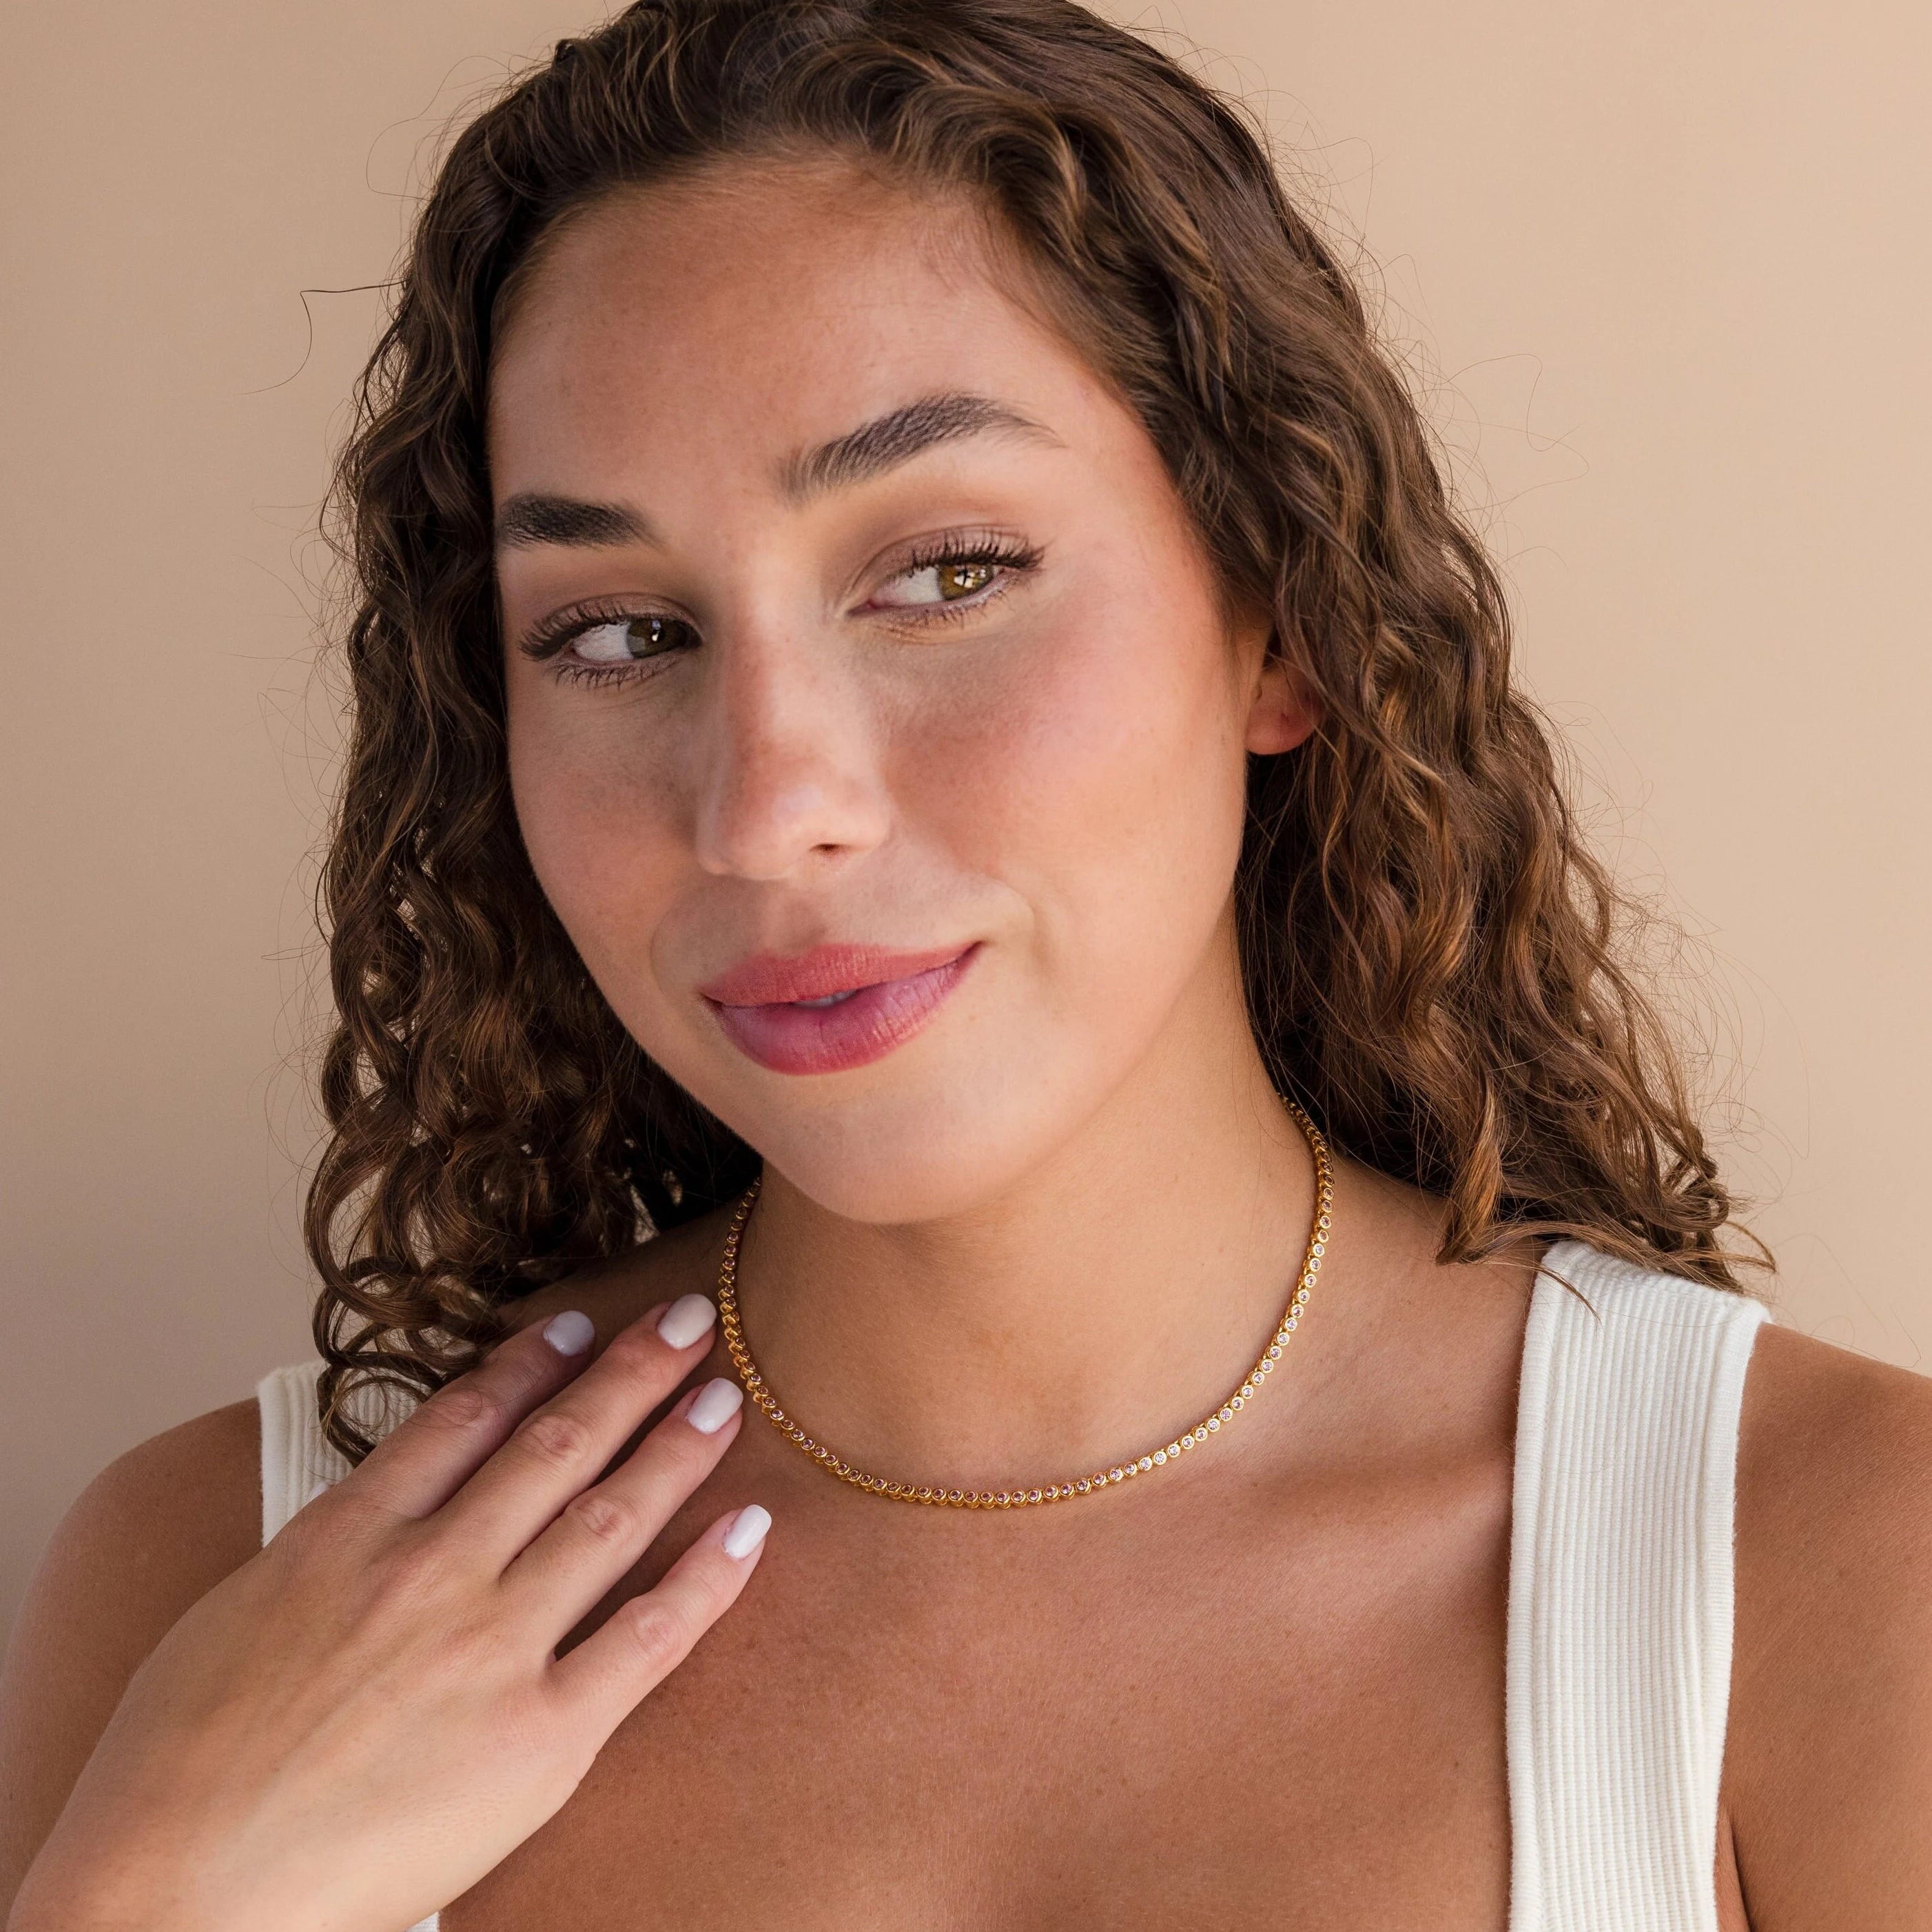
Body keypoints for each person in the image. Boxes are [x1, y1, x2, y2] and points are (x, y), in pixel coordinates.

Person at [3, 1, 1928, 1926]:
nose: (768, 807)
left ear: (1282, 620)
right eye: (610, 631)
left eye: (943, 573)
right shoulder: (224, 1582)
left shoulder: (1828, 1570)